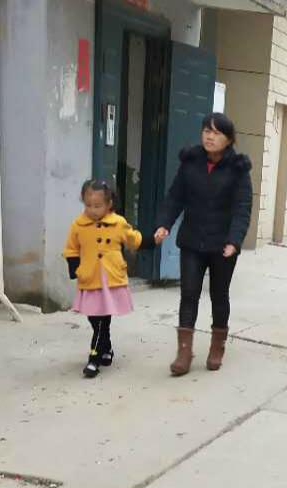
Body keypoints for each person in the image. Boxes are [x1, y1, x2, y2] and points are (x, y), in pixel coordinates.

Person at [155, 112, 253, 376]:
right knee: (189, 294)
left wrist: (234, 241)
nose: (210, 137)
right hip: (192, 240)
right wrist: (164, 223)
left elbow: (242, 208)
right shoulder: (191, 162)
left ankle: (217, 346)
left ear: (229, 139)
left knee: (219, 295)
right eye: (206, 131)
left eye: (216, 132)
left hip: (223, 245)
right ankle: (184, 352)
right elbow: (175, 197)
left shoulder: (238, 169)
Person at [63, 179, 143, 378]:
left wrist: (152, 239)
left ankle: (94, 358)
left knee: (102, 320)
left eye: (97, 206)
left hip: (110, 278)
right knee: (94, 317)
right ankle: (106, 348)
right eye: (88, 205)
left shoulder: (118, 223)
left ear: (109, 204)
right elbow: (71, 249)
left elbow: (133, 239)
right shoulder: (78, 225)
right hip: (89, 278)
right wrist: (76, 270)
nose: (92, 210)